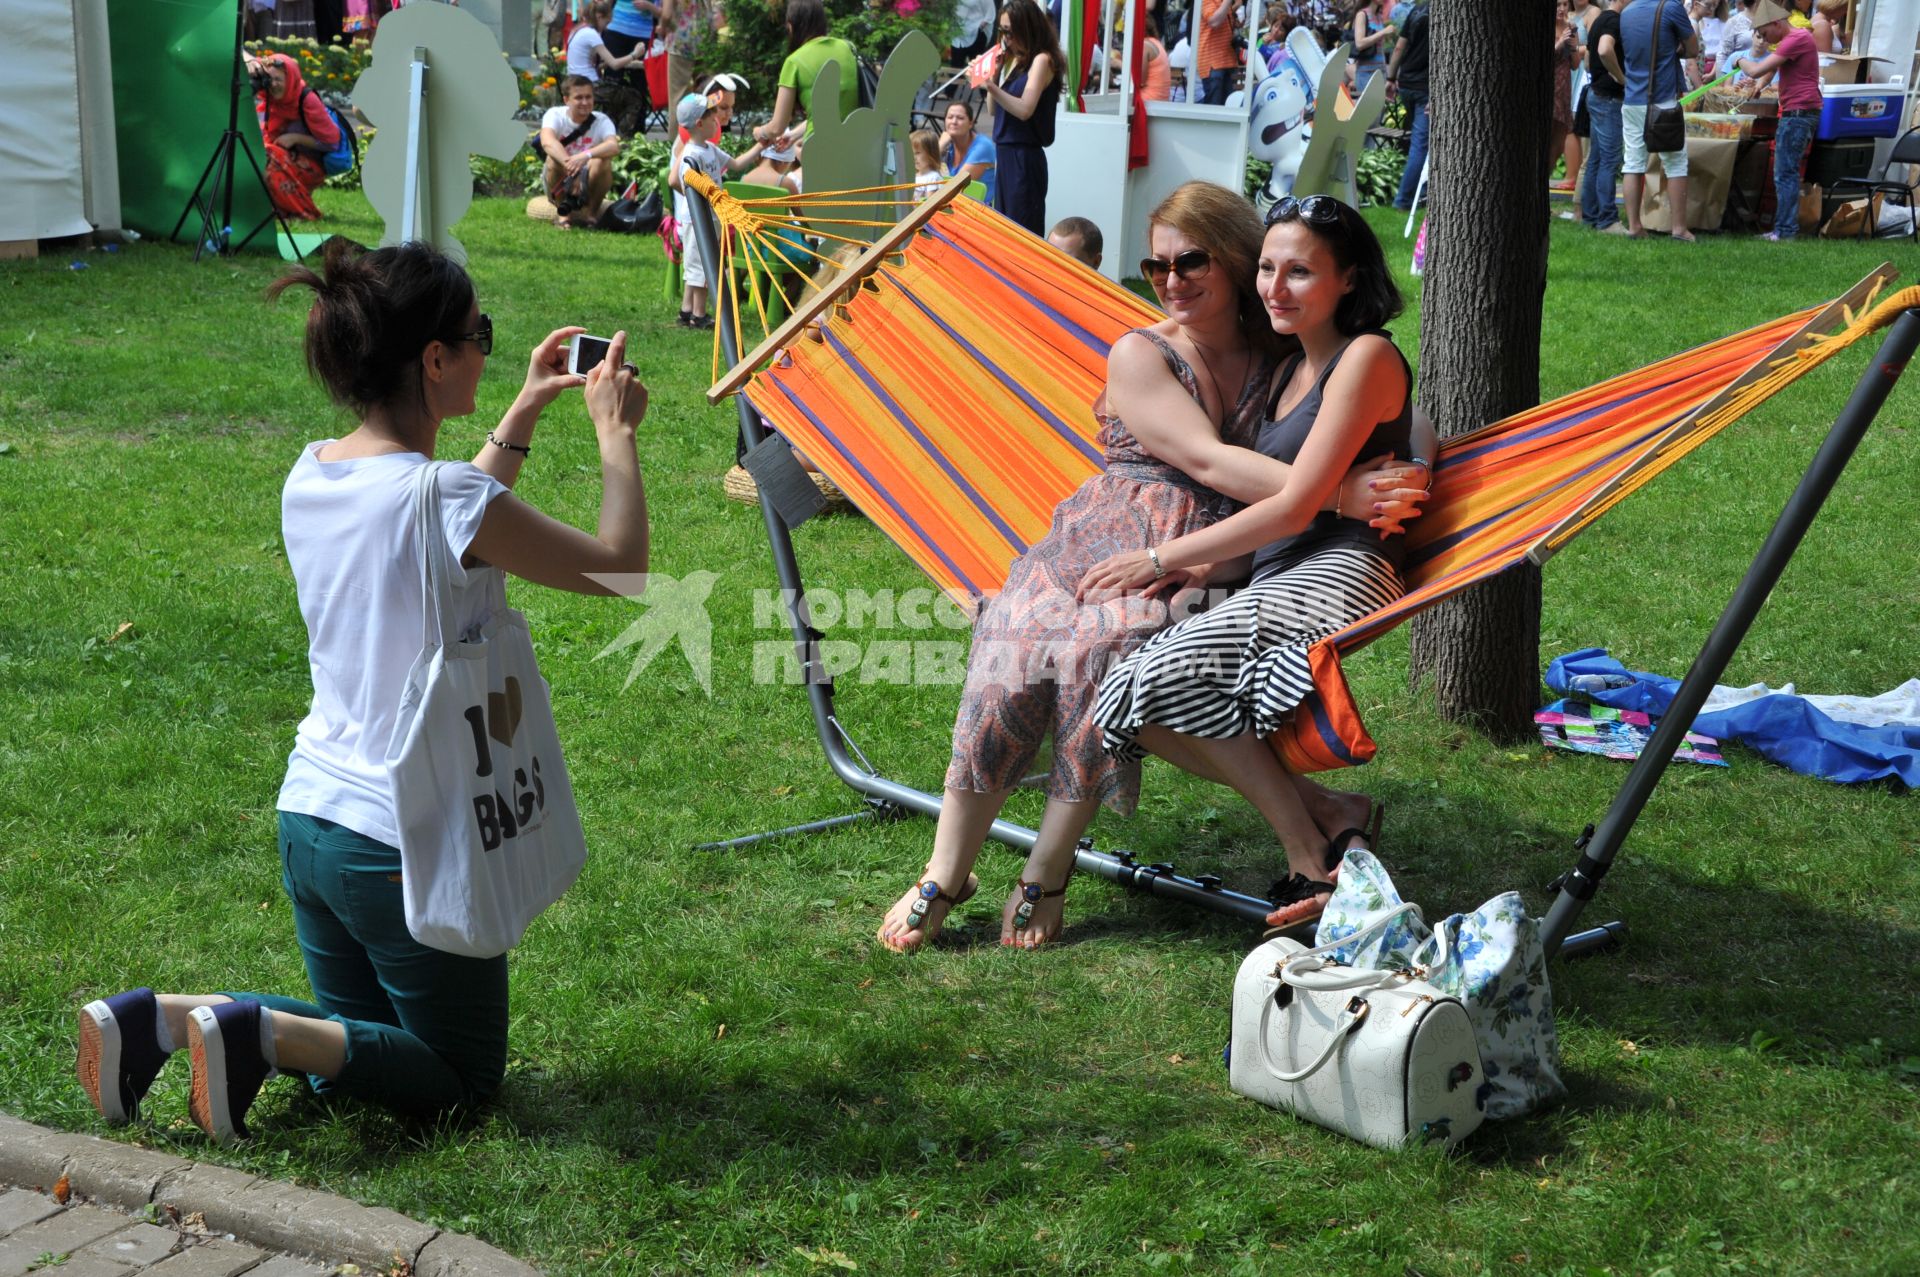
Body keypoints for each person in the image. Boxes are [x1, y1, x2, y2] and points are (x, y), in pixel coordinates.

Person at [74, 239, 650, 1143]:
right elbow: (618, 570)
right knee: (460, 1080)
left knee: (355, 1055)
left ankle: (155, 1018)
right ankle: (254, 1033)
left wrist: (525, 409)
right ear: (433, 359)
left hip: (313, 824)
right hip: (404, 839)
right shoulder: (448, 498)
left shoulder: (313, 473)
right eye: (478, 335)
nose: (488, 349)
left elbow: (441, 529)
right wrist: (616, 437)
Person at [876, 181, 1431, 952]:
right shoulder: (1143, 352)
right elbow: (1208, 457)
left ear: (1234, 259)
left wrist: (1407, 468)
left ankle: (1049, 866)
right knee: (1010, 649)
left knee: (1105, 657)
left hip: (1211, 556)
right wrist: (1340, 492)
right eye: (1155, 266)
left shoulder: (1285, 346)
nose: (1171, 281)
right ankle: (948, 868)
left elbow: (1380, 401)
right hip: (1104, 546)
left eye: (1191, 261)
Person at [1082, 195, 1417, 935]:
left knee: (1159, 679)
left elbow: (1300, 505)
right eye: (1267, 268)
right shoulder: (1293, 366)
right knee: (1121, 699)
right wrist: (1213, 569)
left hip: (1343, 569)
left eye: (1301, 272)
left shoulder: (1365, 356)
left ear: (1349, 280)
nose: (1275, 288)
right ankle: (1331, 813)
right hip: (1275, 574)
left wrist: (1162, 556)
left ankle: (1308, 858)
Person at [671, 93, 768, 327]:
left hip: (711, 217)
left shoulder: (710, 149)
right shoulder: (691, 154)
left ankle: (687, 312)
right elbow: (676, 181)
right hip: (697, 219)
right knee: (702, 266)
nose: (717, 118)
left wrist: (760, 146)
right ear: (699, 123)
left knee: (701, 262)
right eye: (711, 113)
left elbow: (736, 164)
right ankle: (699, 314)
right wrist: (697, 200)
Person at [1732, 0, 1822, 241]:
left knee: (1785, 174)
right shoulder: (1791, 40)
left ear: (1775, 23)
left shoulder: (1797, 38)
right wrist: (1760, 86)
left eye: (1764, 33)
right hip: (1798, 112)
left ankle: (1785, 231)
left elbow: (1754, 70)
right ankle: (1783, 229)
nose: (1764, 39)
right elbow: (1772, 68)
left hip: (1798, 113)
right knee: (1785, 172)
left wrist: (1738, 60)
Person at [1620, 0, 1701, 240]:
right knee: (1675, 162)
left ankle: (1634, 227)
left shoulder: (1627, 12)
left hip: (1633, 98)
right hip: (1662, 98)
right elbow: (1693, 49)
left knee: (1633, 162)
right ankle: (1679, 228)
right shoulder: (1670, 8)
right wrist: (1674, 49)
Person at [985, 0, 1064, 235]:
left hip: (1024, 157)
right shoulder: (1017, 59)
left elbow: (1025, 109)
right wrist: (995, 73)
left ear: (1025, 27)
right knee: (1005, 230)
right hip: (1006, 153)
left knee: (1022, 231)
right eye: (1001, 30)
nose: (1004, 37)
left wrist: (991, 87)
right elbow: (993, 109)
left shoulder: (1042, 59)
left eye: (1008, 31)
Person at [249, 52, 342, 223]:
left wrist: (296, 138)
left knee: (268, 155)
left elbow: (332, 143)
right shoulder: (271, 101)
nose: (274, 85)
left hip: (312, 164)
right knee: (256, 155)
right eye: (270, 80)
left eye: (279, 80)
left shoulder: (307, 100)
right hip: (283, 156)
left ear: (290, 79)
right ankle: (278, 210)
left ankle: (304, 212)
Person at [754, 0, 861, 144]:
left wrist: (760, 132)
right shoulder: (847, 48)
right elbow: (833, 114)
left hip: (821, 149)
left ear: (791, 27)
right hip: (858, 143)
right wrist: (793, 135)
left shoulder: (794, 62)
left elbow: (777, 127)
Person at [541, 76, 621, 229]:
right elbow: (547, 141)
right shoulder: (555, 115)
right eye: (579, 98)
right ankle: (564, 216)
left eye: (588, 97)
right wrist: (572, 168)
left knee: (602, 160)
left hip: (589, 179)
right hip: (560, 179)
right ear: (566, 100)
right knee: (552, 159)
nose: (585, 102)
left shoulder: (601, 120)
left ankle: (591, 215)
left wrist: (584, 156)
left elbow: (613, 146)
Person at [1582, 0, 1632, 233]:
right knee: (1609, 161)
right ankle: (1607, 220)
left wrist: (1599, 74)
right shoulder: (1614, 21)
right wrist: (1621, 78)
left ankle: (1590, 215)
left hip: (1596, 94)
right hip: (1609, 99)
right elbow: (1603, 49)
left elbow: (1587, 60)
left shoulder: (1599, 19)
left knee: (1596, 159)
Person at [568, 0, 648, 135]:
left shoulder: (579, 29)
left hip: (575, 81)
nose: (606, 27)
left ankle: (608, 133)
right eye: (606, 22)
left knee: (617, 97)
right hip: (590, 85)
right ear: (599, 17)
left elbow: (601, 65)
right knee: (634, 97)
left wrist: (632, 63)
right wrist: (635, 54)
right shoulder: (592, 35)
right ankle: (622, 139)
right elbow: (614, 64)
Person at [1387, 2, 1431, 212]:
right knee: (1420, 146)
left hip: (1406, 83)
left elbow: (1399, 47)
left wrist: (1391, 77)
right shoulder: (1446, 15)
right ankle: (1403, 201)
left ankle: (1422, 193)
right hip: (1426, 88)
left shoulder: (1417, 10)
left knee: (1421, 142)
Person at [1550, 1, 1583, 191]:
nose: (1561, 9)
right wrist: (1560, 42)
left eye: (1564, 4)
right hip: (1550, 85)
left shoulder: (1571, 28)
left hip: (1564, 87)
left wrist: (1572, 46)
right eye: (1557, 5)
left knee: (1561, 133)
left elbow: (1575, 64)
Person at [939, 101, 997, 204]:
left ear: (971, 123)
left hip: (980, 210)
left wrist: (939, 147)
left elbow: (957, 186)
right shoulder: (950, 146)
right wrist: (941, 146)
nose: (954, 122)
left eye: (960, 118)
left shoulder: (982, 147)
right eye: (950, 117)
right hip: (959, 205)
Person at [666, 0, 720, 106]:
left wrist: (663, 26)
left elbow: (666, 14)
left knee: (679, 96)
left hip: (681, 41)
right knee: (708, 91)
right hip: (706, 39)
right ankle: (709, 121)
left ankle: (680, 123)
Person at [1195, 0, 1238, 105]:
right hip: (1213, 64)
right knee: (1214, 111)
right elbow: (1214, 21)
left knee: (1229, 109)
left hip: (1228, 60)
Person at [1350, 0, 1397, 96]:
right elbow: (1359, 43)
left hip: (1380, 72)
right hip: (1366, 73)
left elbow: (1380, 48)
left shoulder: (1379, 16)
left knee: (1380, 109)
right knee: (1368, 109)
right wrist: (1383, 32)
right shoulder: (1362, 15)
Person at [911, 129, 945, 199]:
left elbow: (929, 205)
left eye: (917, 153)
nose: (914, 157)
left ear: (930, 154)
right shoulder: (913, 175)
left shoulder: (933, 177)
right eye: (911, 153)